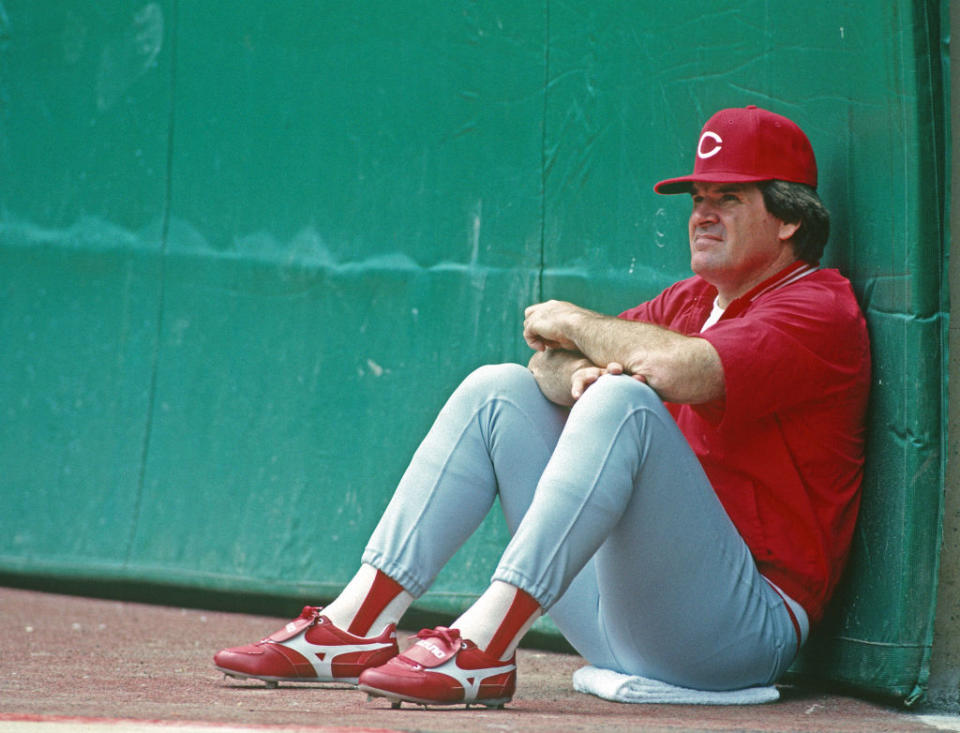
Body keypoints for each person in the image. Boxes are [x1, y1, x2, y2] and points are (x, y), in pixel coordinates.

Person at [214, 105, 870, 708]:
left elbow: (678, 368)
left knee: (623, 397)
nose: (702, 214)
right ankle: (356, 625)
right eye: (698, 198)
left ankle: (484, 643)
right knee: (497, 388)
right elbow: (543, 363)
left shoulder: (817, 306)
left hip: (742, 629)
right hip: (625, 615)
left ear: (788, 218)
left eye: (728, 197)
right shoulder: (689, 301)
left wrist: (579, 329)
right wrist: (583, 366)